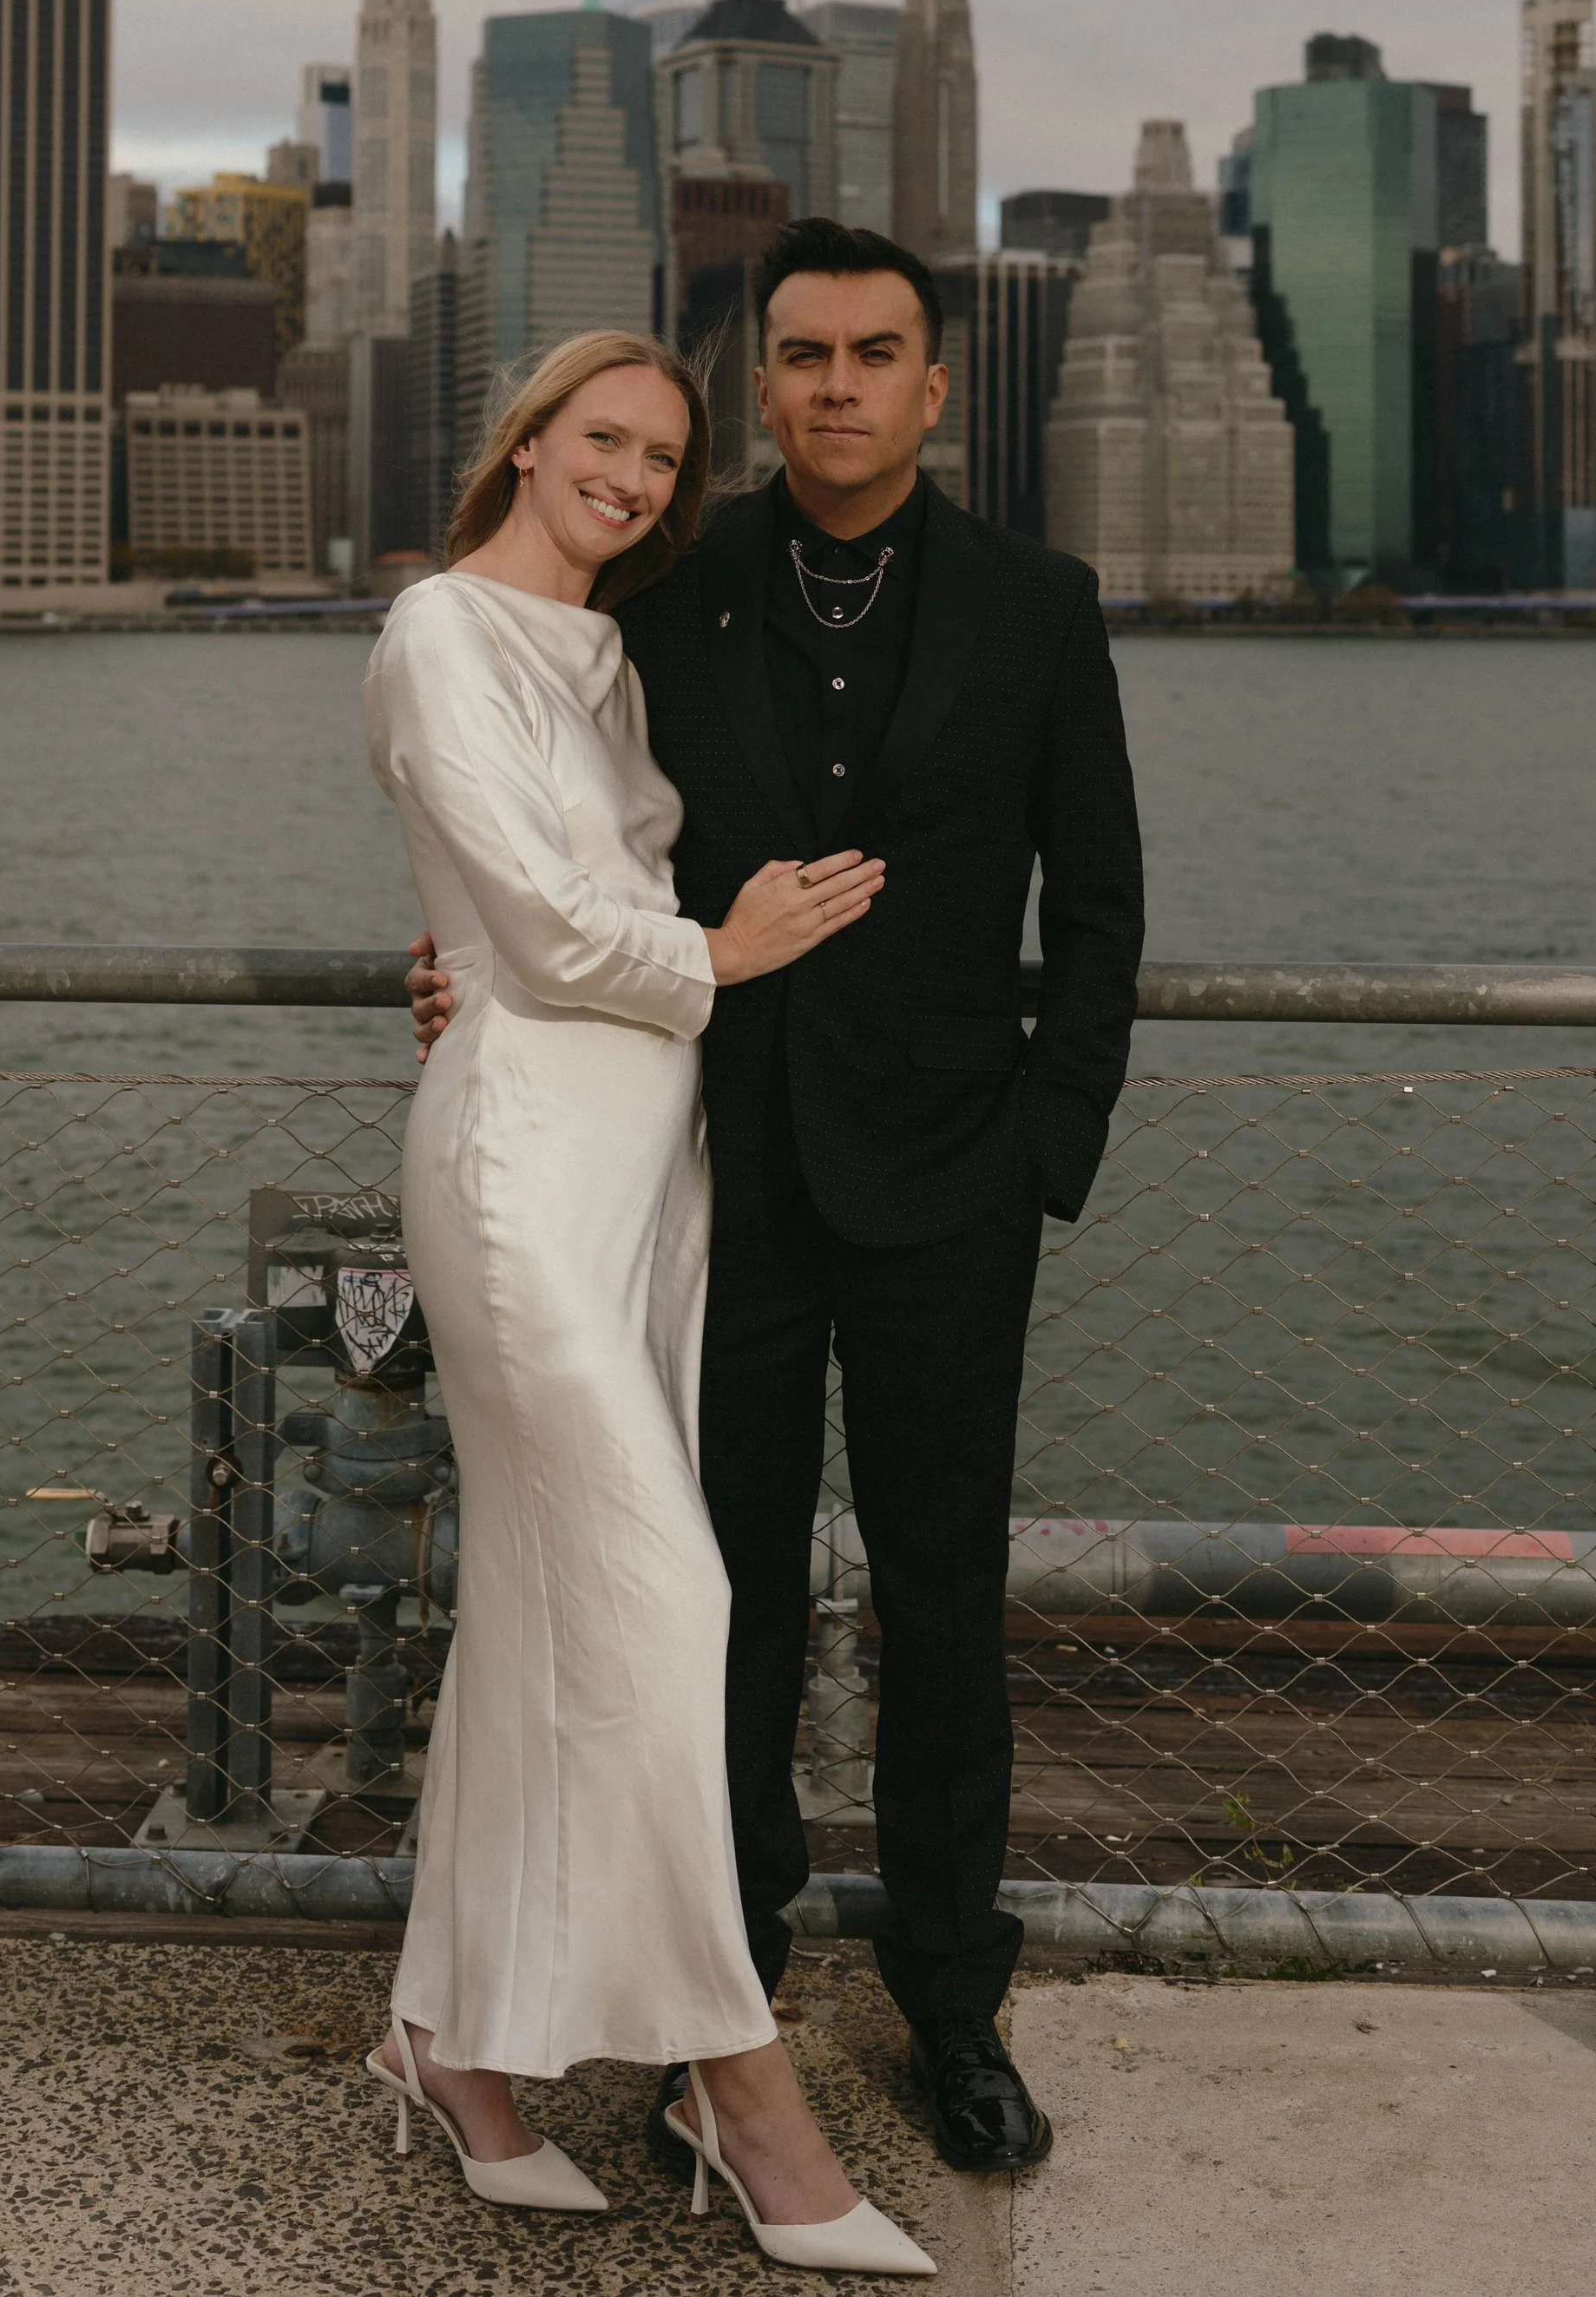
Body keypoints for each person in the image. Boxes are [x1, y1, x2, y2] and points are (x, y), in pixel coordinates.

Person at [412, 221, 1145, 2180]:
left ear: (931, 383)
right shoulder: (666, 586)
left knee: (942, 1601)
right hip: (705, 1177)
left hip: (954, 1187)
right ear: (766, 387)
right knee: (709, 1607)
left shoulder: (1038, 604)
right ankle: (712, 2008)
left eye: (872, 353)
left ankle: (950, 2004)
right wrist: (462, 965)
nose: (835, 385)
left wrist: (1046, 1149)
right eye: (803, 355)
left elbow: (1099, 906)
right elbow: (539, 818)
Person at [364, 325, 938, 2277]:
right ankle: (744, 2093)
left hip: (645, 1171)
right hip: (522, 1168)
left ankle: (454, 2046)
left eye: (662, 460)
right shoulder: (440, 630)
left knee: (539, 1615)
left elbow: (522, 896)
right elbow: (536, 929)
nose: (629, 477)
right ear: (525, 440)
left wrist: (528, 952)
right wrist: (727, 946)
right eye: (600, 439)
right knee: (665, 1601)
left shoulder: (607, 656)